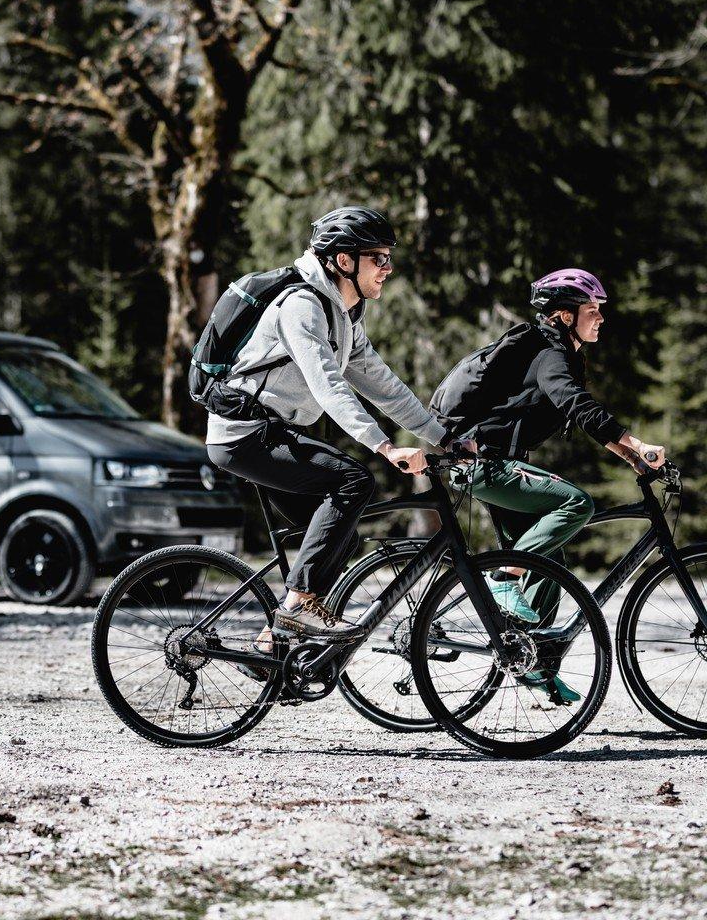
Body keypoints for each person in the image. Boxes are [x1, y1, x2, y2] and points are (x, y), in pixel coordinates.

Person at [205, 205, 469, 649]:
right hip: (244, 436)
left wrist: (445, 438)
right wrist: (385, 448)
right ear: (344, 260)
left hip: (273, 433)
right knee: (353, 481)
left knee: (339, 540)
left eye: (389, 258)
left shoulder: (345, 315)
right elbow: (328, 385)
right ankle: (299, 607)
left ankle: (271, 643)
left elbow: (384, 386)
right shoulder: (302, 306)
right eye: (379, 258)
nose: (388, 269)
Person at [434, 268, 664, 704]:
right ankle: (504, 576)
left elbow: (578, 413)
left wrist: (633, 457)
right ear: (563, 315)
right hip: (486, 464)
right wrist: (636, 442)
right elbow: (575, 405)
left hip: (493, 464)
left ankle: (535, 664)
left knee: (551, 563)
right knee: (576, 505)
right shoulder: (549, 354)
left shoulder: (560, 353)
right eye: (591, 311)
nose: (600, 319)